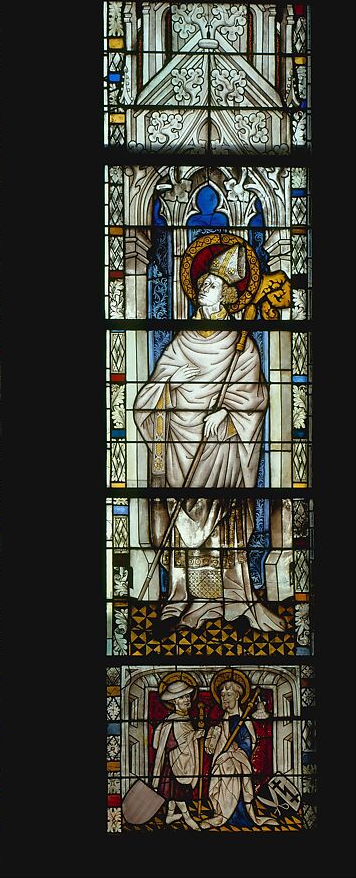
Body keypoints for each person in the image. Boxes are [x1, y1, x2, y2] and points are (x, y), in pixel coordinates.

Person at [133, 239, 285, 638]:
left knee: (223, 524)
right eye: (202, 283)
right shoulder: (181, 342)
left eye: (214, 284)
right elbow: (147, 399)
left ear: (229, 296)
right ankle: (181, 598)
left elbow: (254, 399)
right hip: (181, 446)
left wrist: (229, 415)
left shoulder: (242, 347)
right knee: (183, 522)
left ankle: (231, 597)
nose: (205, 288)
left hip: (222, 451)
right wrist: (170, 387)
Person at [202, 670, 276, 828]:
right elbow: (215, 746)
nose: (224, 698)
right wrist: (213, 736)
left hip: (238, 763)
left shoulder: (244, 720)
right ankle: (220, 814)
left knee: (235, 785)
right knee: (221, 788)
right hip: (222, 763)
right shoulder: (223, 720)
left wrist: (237, 748)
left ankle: (235, 816)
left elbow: (249, 742)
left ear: (237, 696)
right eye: (222, 695)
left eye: (228, 694)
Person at [151, 675, 201, 829]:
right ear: (174, 701)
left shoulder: (180, 719)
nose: (187, 700)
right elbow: (170, 743)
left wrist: (193, 736)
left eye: (188, 696)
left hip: (174, 764)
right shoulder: (175, 720)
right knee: (177, 793)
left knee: (172, 793)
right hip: (174, 764)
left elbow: (157, 744)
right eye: (182, 697)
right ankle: (187, 818)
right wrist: (194, 736)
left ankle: (170, 815)